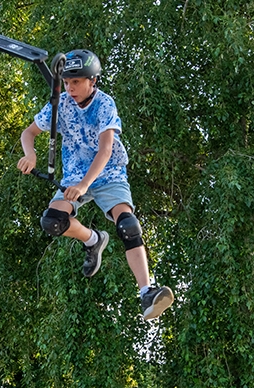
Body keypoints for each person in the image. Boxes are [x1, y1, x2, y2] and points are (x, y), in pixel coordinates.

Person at [17, 49, 174, 320]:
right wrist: (30, 154)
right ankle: (93, 240)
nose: (70, 88)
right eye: (66, 82)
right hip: (74, 178)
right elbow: (28, 132)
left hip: (107, 174)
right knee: (53, 221)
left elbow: (105, 150)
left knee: (127, 225)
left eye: (76, 82)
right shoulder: (61, 103)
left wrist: (86, 185)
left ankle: (147, 291)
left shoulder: (104, 104)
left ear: (93, 81)